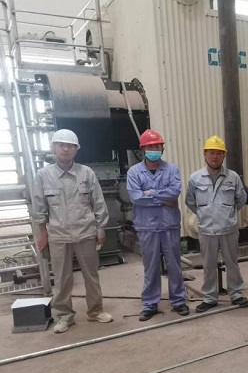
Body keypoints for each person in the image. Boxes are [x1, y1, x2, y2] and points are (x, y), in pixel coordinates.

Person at [32, 129, 113, 333]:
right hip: (58, 235)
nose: (66, 149)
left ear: (76, 149)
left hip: (86, 233)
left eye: (70, 146)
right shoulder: (43, 175)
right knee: (62, 278)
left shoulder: (86, 173)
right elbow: (39, 208)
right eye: (61, 145)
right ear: (54, 148)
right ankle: (64, 316)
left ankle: (95, 311)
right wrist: (42, 235)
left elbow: (98, 203)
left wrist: (101, 228)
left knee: (91, 276)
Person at [126, 129, 189, 321]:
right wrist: (162, 197)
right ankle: (150, 303)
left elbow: (174, 193)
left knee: (174, 264)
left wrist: (150, 193)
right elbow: (136, 198)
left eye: (157, 146)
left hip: (169, 224)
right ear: (143, 150)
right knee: (151, 266)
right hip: (147, 226)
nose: (154, 149)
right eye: (150, 147)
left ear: (162, 148)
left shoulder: (172, 169)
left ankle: (178, 300)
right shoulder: (134, 172)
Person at [185, 135, 248, 312]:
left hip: (228, 228)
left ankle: (236, 293)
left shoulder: (233, 177)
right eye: (211, 152)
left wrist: (227, 214)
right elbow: (190, 201)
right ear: (205, 154)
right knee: (209, 264)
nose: (215, 156)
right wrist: (205, 214)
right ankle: (210, 297)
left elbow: (241, 198)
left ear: (224, 156)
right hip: (207, 229)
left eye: (219, 153)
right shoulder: (195, 178)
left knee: (232, 263)